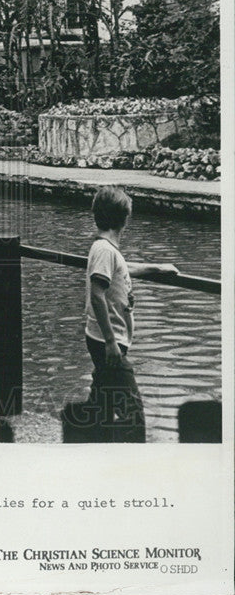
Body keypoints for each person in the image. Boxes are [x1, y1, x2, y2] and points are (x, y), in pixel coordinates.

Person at [82, 185, 179, 442]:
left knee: (101, 401)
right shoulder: (104, 250)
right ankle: (131, 463)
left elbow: (123, 269)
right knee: (133, 413)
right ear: (124, 219)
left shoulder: (106, 248)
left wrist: (156, 268)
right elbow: (97, 294)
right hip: (108, 342)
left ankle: (86, 444)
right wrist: (112, 342)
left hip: (103, 339)